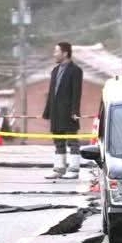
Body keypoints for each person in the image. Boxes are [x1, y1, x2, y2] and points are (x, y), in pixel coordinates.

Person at [42, 41, 84, 179]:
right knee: (58, 141)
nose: (54, 54)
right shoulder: (55, 70)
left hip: (69, 112)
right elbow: (51, 92)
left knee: (72, 141)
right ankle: (59, 168)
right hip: (56, 112)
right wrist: (47, 111)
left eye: (56, 51)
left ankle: (74, 169)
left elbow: (76, 94)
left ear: (65, 53)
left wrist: (75, 112)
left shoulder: (75, 70)